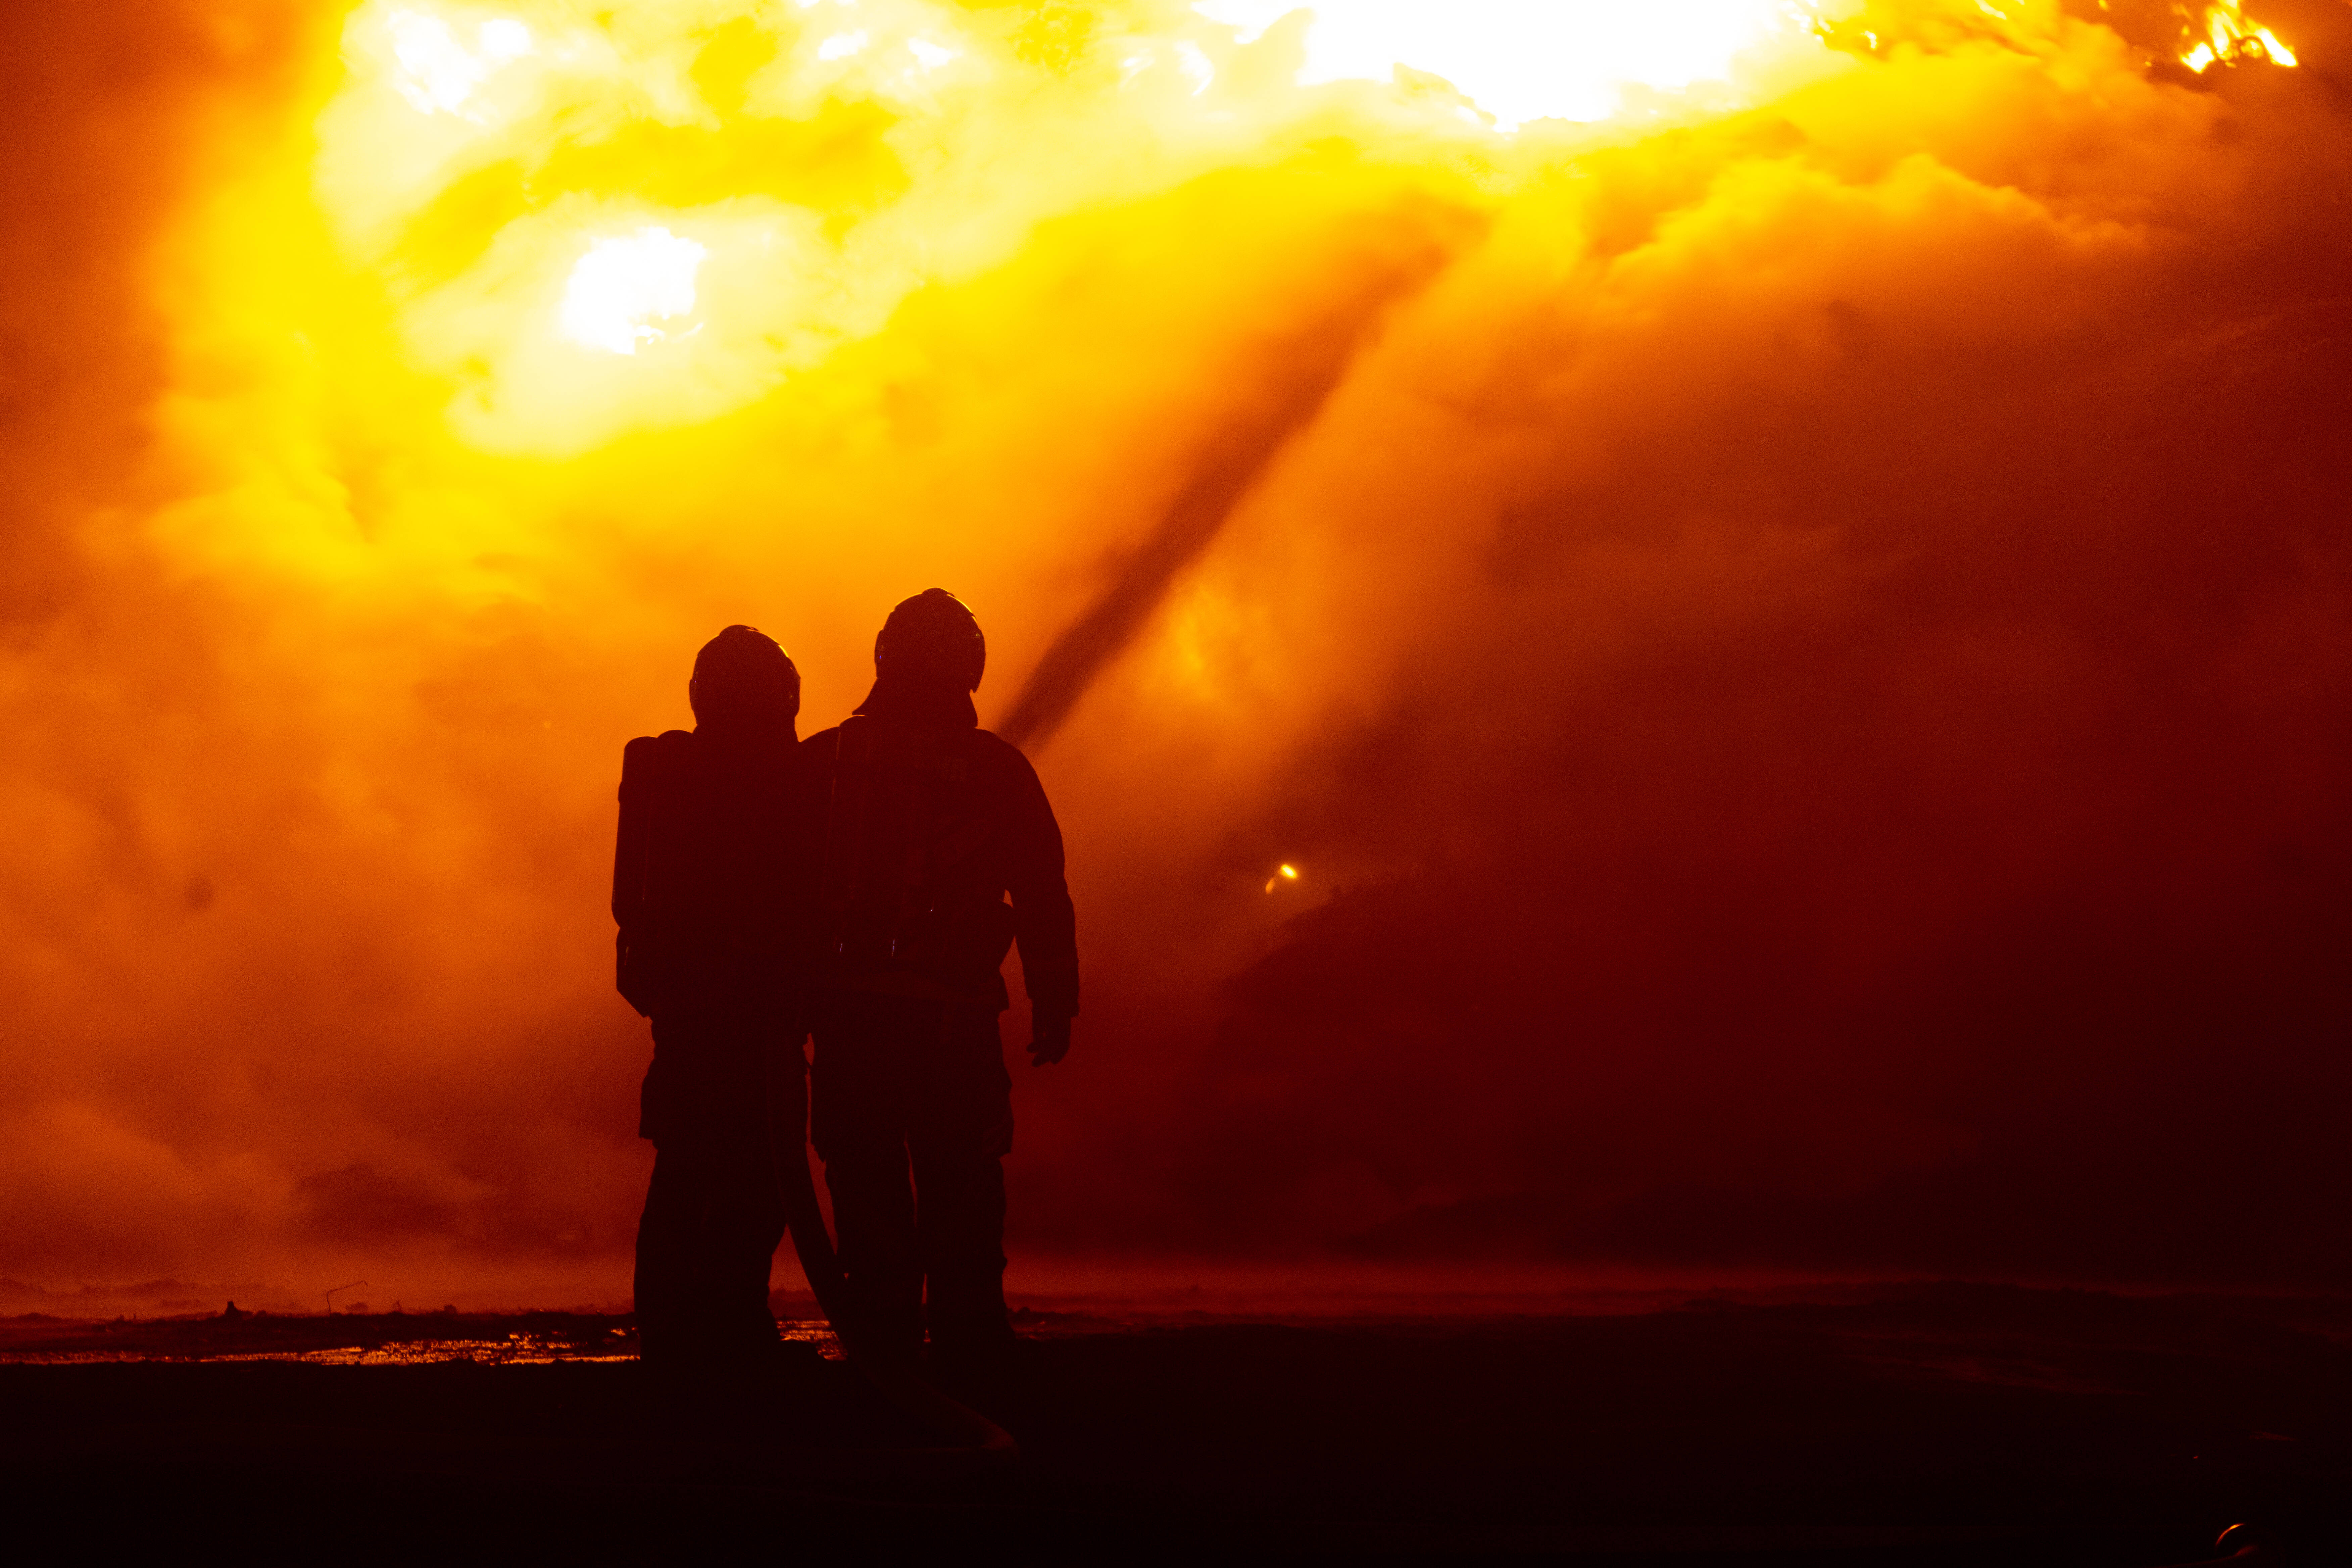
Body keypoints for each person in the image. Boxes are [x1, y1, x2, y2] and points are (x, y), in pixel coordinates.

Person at [803, 589, 1077, 1372]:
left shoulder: (823, 761)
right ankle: (970, 1342)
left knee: (865, 1181)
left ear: (883, 659)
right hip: (953, 1028)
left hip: (850, 1023)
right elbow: (1043, 891)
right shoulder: (998, 770)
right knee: (962, 1179)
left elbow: (774, 890)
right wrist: (1056, 1001)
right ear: (971, 665)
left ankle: (884, 1341)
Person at [613, 625, 808, 1370]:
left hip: (687, 1017)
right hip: (757, 1016)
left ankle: (674, 1334)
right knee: (756, 1177)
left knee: (687, 1170)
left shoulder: (668, 771)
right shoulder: (790, 782)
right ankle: (728, 1329)